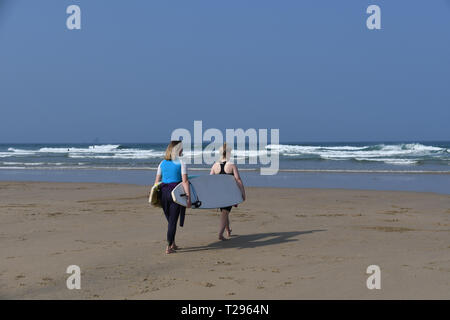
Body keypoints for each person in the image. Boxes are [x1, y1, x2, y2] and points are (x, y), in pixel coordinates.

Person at [154, 140, 191, 254]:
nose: (183, 150)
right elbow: (185, 181)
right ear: (178, 149)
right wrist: (188, 197)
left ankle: (173, 243)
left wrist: (154, 196)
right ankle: (168, 247)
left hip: (163, 193)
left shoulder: (162, 163)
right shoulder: (181, 162)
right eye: (182, 148)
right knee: (172, 222)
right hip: (175, 193)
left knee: (170, 220)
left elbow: (156, 182)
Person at [210, 143, 246, 240]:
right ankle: (220, 234)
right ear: (229, 153)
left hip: (218, 193)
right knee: (225, 212)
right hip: (229, 194)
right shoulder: (231, 165)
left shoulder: (214, 165)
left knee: (224, 212)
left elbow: (210, 180)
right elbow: (238, 179)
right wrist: (243, 193)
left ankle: (228, 230)